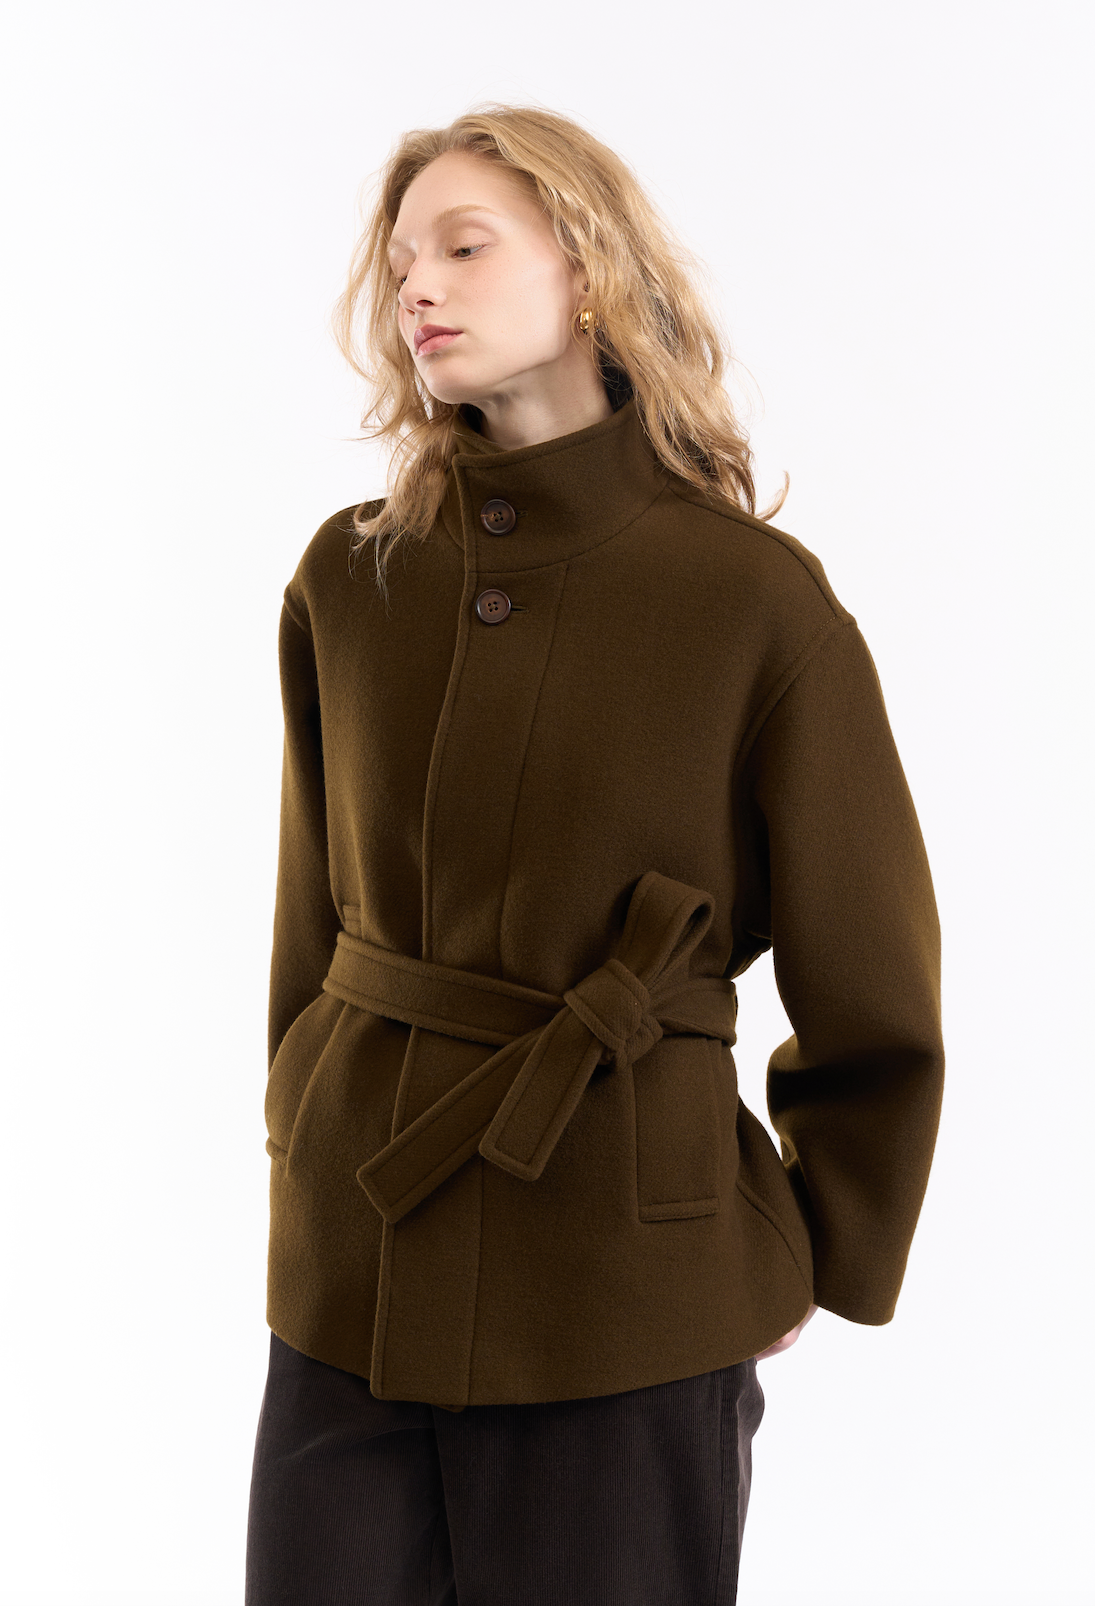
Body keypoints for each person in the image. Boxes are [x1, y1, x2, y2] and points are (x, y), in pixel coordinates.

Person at [244, 103, 945, 1606]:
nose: (416, 285)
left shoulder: (755, 602)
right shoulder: (349, 578)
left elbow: (874, 974)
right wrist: (301, 1127)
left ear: (590, 268)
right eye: (400, 259)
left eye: (465, 246)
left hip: (632, 1278)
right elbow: (311, 921)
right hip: (357, 1262)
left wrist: (817, 1241)